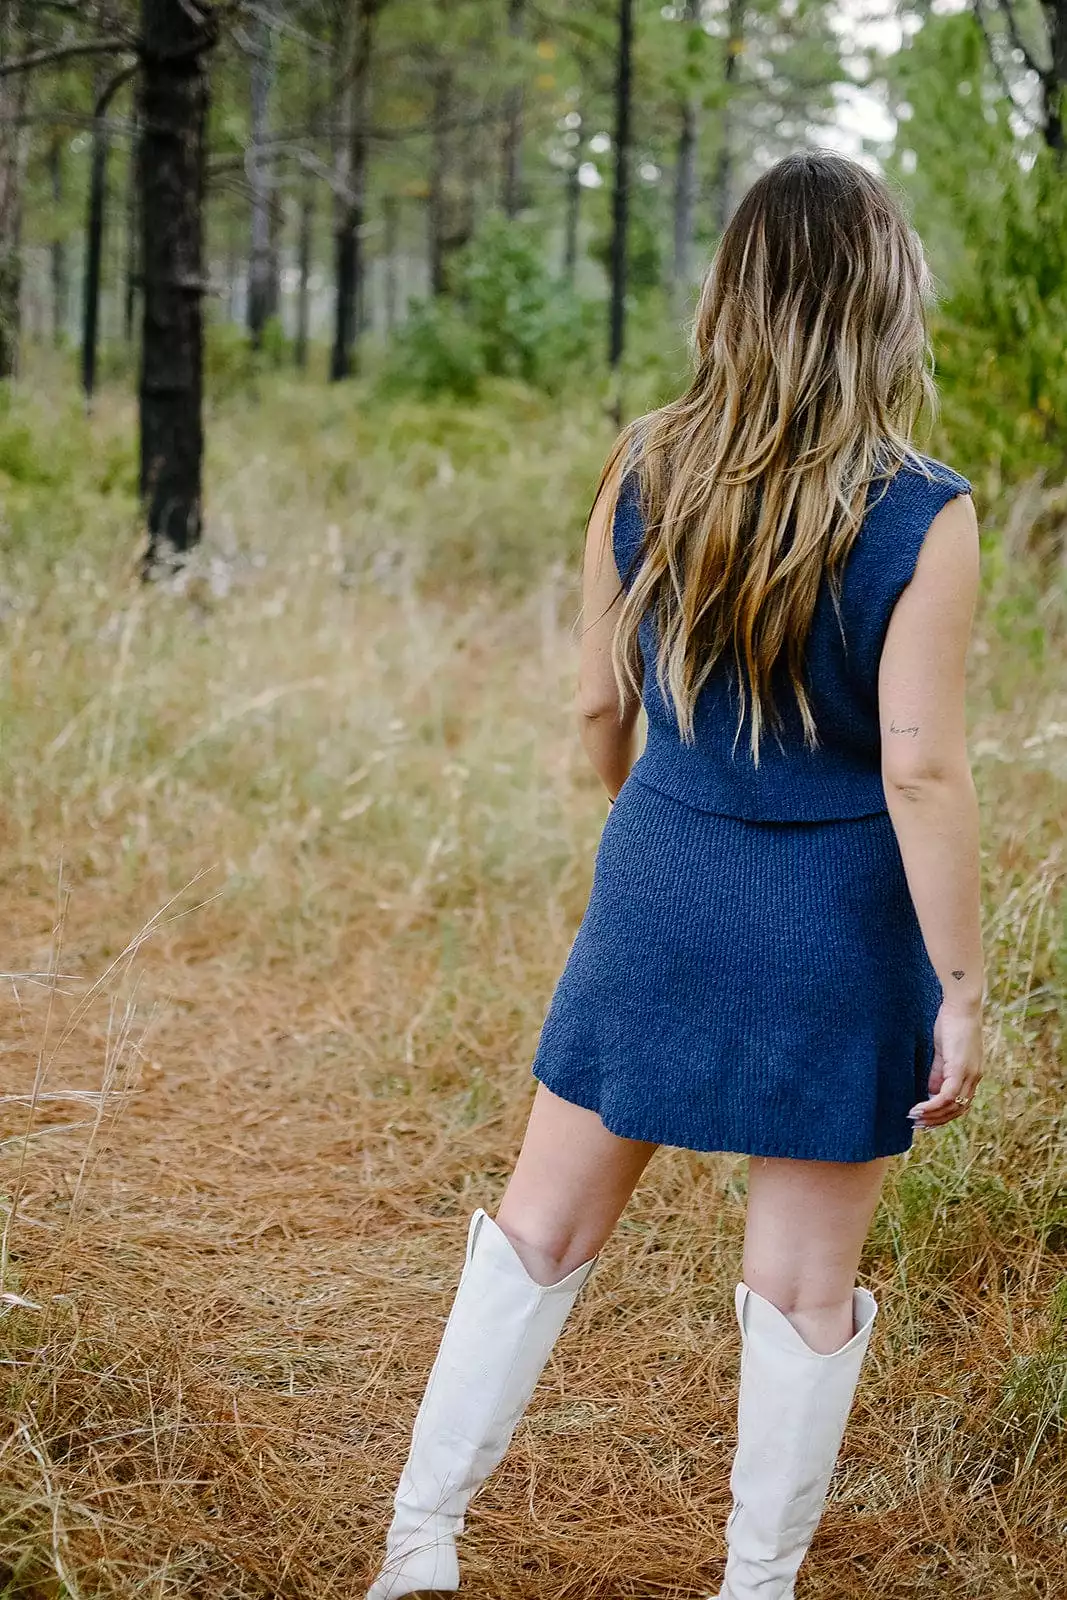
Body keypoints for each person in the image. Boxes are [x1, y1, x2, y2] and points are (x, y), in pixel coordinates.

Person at [366, 150, 985, 1600]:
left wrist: (657, 820)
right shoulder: (925, 512)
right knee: (799, 1287)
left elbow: (598, 706)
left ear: (730, 296)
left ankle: (418, 1543)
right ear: (882, 301)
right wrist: (960, 985)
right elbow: (918, 770)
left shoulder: (644, 464)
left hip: (661, 876)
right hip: (842, 914)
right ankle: (752, 1587)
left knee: (540, 1228)